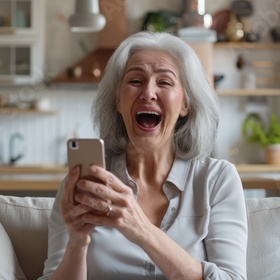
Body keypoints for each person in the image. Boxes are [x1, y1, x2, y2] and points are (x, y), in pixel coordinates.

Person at [39, 31, 247, 280]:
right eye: (135, 81)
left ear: (185, 105)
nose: (148, 92)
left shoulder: (217, 179)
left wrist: (141, 230)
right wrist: (77, 242)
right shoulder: (86, 185)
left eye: (165, 82)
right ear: (117, 100)